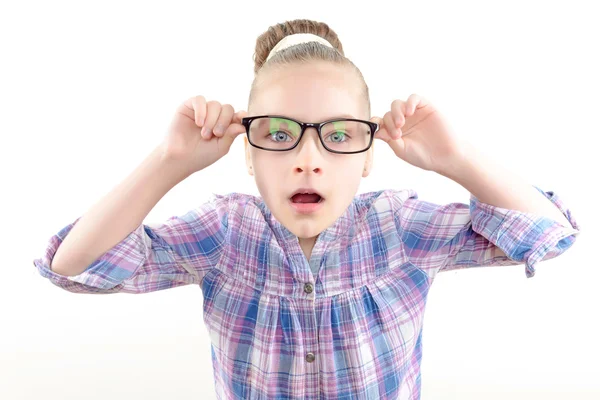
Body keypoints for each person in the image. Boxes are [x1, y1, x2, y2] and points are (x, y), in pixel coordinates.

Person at [33, 18, 580, 400]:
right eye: (278, 134)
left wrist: (457, 159)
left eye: (339, 136)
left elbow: (549, 234)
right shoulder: (226, 231)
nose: (308, 160)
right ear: (248, 153)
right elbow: (74, 266)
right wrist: (168, 161)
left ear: (369, 155)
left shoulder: (400, 226)